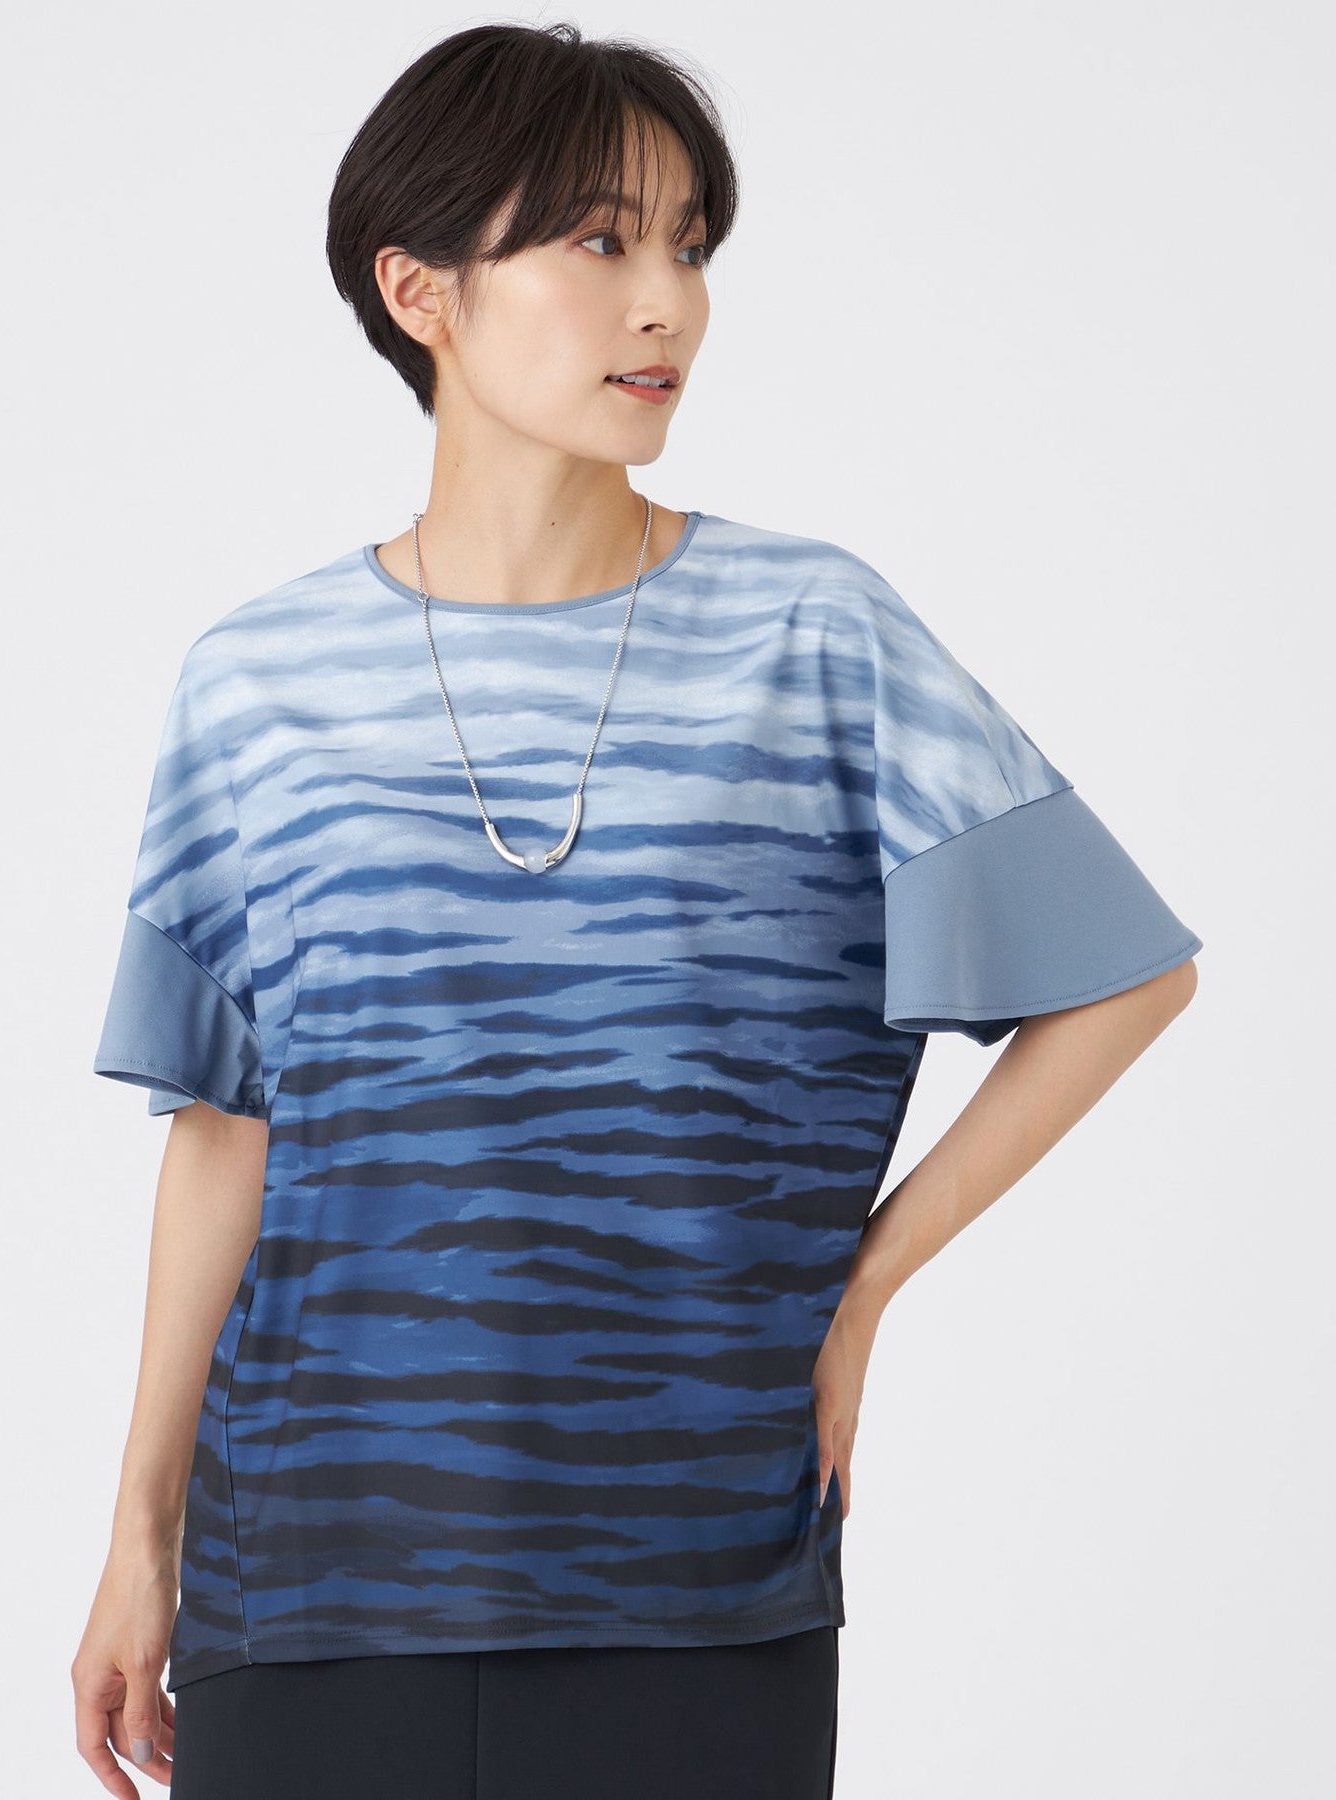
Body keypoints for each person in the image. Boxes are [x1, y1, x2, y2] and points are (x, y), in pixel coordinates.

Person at [70, 21, 1203, 1800]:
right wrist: (139, 1536)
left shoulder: (812, 636)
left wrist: (865, 1287)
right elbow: (226, 1129)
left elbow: (1123, 979)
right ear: (420, 290)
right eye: (600, 242)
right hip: (305, 1578)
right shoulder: (259, 686)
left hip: (698, 1572)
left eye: (691, 244)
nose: (667, 302)